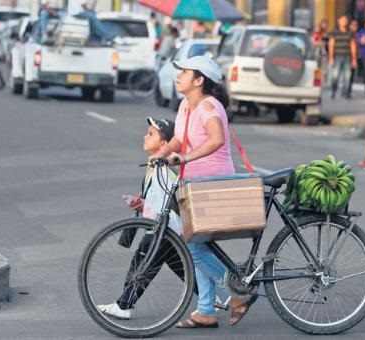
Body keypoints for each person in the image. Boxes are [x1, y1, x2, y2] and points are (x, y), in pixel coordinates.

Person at [149, 56, 251, 328]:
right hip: (193, 184)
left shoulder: (209, 105)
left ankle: (237, 291)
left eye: (184, 72)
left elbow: (217, 139)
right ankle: (205, 310)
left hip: (212, 183)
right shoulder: (185, 105)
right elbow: (180, 139)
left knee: (194, 247)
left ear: (199, 80)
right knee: (198, 246)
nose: (178, 76)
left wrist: (185, 158)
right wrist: (163, 152)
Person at [97, 117, 189, 320]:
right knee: (181, 268)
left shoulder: (165, 167)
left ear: (164, 144)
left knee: (143, 264)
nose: (144, 137)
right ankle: (217, 298)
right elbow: (156, 198)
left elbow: (168, 199)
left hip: (166, 228)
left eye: (150, 134)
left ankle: (124, 305)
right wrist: (141, 204)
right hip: (159, 226)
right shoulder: (153, 166)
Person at [328, 15, 357, 99]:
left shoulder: (350, 33)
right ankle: (333, 91)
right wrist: (331, 58)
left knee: (347, 76)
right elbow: (331, 45)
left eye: (345, 20)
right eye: (342, 20)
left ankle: (345, 93)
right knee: (335, 76)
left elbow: (353, 46)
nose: (344, 22)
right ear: (339, 21)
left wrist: (354, 59)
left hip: (347, 57)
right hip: (337, 57)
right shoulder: (334, 32)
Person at [346, 19, 360, 98]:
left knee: (351, 74)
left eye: (356, 25)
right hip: (348, 56)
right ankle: (346, 91)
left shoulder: (359, 34)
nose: (355, 27)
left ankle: (348, 90)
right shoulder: (348, 34)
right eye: (353, 25)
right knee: (347, 75)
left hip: (357, 56)